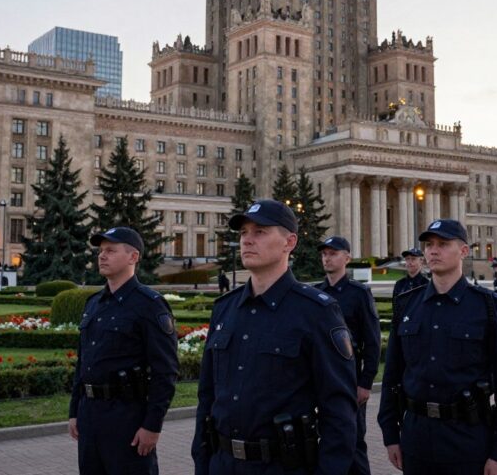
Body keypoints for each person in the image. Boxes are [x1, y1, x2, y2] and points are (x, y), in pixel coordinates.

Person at [192, 200, 357, 475]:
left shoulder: (316, 311)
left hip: (282, 465)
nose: (247, 240)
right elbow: (206, 397)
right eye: (244, 233)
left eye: (260, 232)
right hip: (222, 464)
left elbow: (338, 411)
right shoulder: (225, 308)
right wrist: (202, 463)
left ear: (289, 242)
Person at [378, 219, 497, 475]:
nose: (433, 251)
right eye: (429, 245)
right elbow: (393, 374)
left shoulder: (489, 306)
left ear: (464, 251)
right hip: (417, 439)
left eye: (443, 244)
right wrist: (390, 433)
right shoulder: (408, 304)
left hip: (467, 439)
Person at [70, 227, 179, 475]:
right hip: (90, 416)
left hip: (127, 417)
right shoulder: (94, 303)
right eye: (100, 251)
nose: (102, 256)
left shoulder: (149, 305)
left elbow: (166, 370)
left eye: (110, 250)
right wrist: (74, 411)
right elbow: (83, 361)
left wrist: (152, 426)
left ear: (133, 257)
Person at [316, 236, 381, 475]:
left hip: (349, 381)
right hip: (320, 379)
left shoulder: (359, 294)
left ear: (347, 258)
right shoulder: (315, 293)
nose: (327, 258)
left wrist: (365, 383)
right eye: (324, 254)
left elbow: (372, 341)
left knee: (352, 442)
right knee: (323, 441)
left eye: (333, 253)